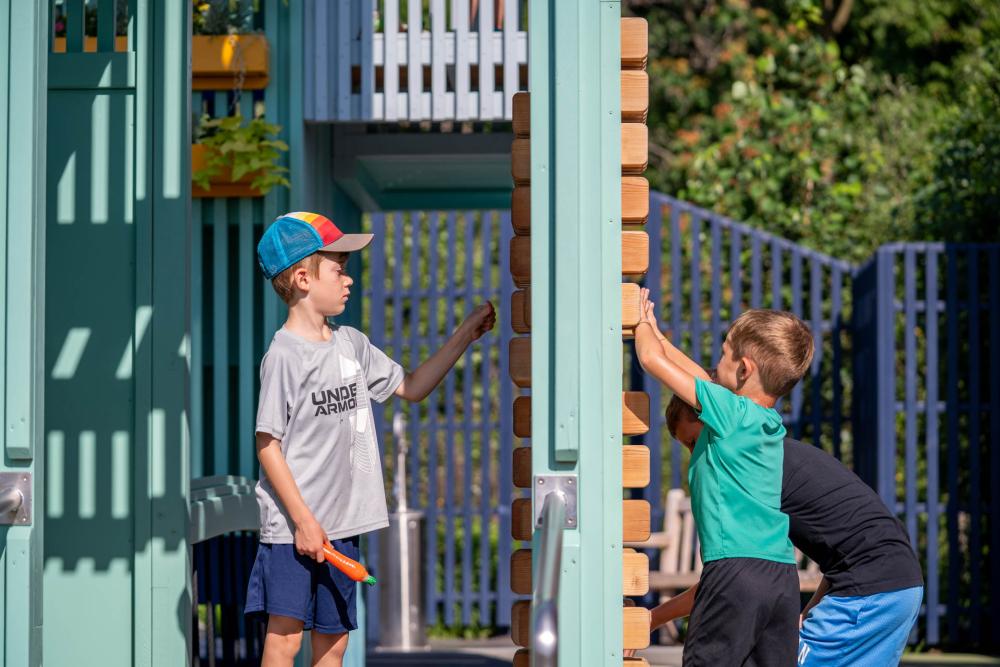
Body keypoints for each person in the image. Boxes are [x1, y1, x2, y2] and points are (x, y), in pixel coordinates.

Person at [244, 211, 496, 667]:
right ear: (303, 277)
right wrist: (303, 522)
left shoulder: (352, 345)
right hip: (292, 531)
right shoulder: (283, 355)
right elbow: (267, 444)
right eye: (338, 269)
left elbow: (413, 386)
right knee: (285, 642)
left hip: (342, 528)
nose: (349, 280)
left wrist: (465, 335)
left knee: (334, 643)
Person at [650, 395, 924, 667]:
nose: (695, 455)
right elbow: (852, 546)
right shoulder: (777, 453)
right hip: (902, 586)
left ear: (719, 424)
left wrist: (653, 618)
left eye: (695, 442)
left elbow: (730, 582)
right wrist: (808, 610)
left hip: (867, 594)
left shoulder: (751, 474)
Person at [633, 288, 814, 666]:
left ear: (745, 369)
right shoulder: (766, 423)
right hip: (781, 577)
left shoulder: (729, 413)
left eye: (723, 356)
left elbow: (650, 359)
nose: (714, 367)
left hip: (734, 570)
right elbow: (698, 377)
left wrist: (641, 323)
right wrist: (660, 334)